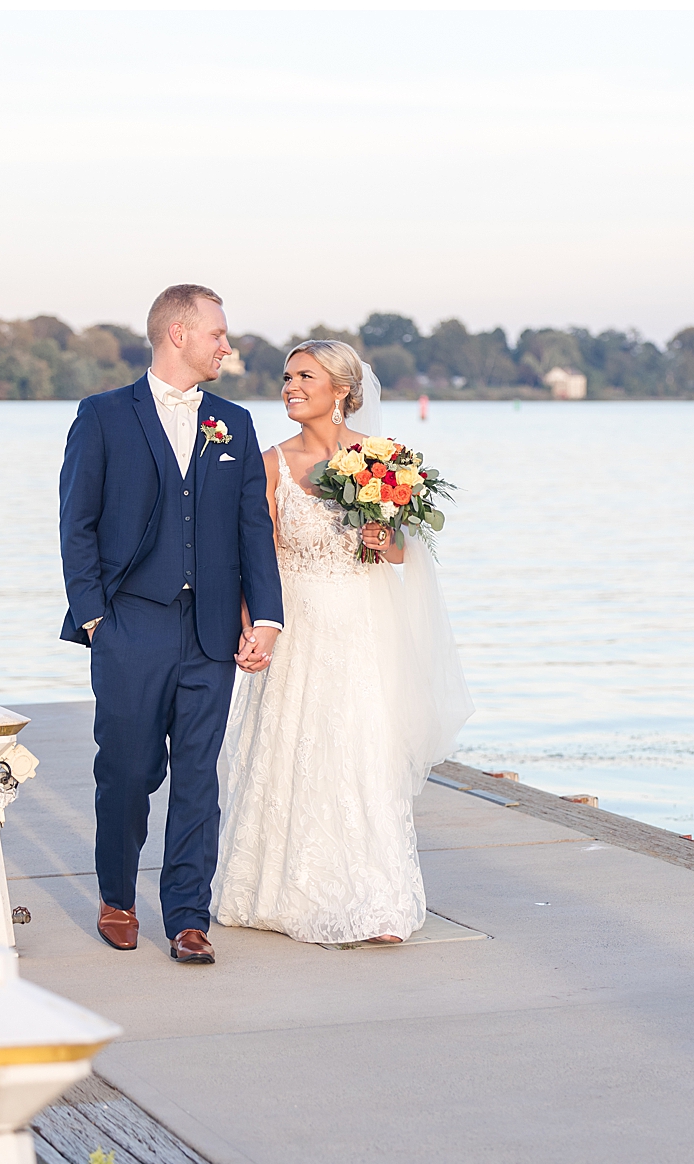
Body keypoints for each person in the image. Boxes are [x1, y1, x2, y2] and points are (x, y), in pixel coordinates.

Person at [211, 340, 472, 945]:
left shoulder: (382, 462)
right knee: (292, 749)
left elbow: (403, 553)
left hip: (362, 627)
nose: (290, 387)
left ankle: (375, 901)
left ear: (343, 390)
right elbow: (258, 556)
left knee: (361, 751)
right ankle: (279, 892)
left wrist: (384, 538)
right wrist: (253, 626)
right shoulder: (269, 463)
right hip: (296, 626)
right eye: (287, 377)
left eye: (306, 376)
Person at [58, 283, 284, 964]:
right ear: (178, 334)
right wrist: (95, 618)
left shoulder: (233, 422)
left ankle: (189, 917)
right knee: (127, 772)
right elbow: (77, 522)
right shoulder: (102, 415)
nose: (227, 346)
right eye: (218, 334)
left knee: (197, 778)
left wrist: (266, 617)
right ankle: (118, 898)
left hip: (210, 633)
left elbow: (253, 527)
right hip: (129, 624)